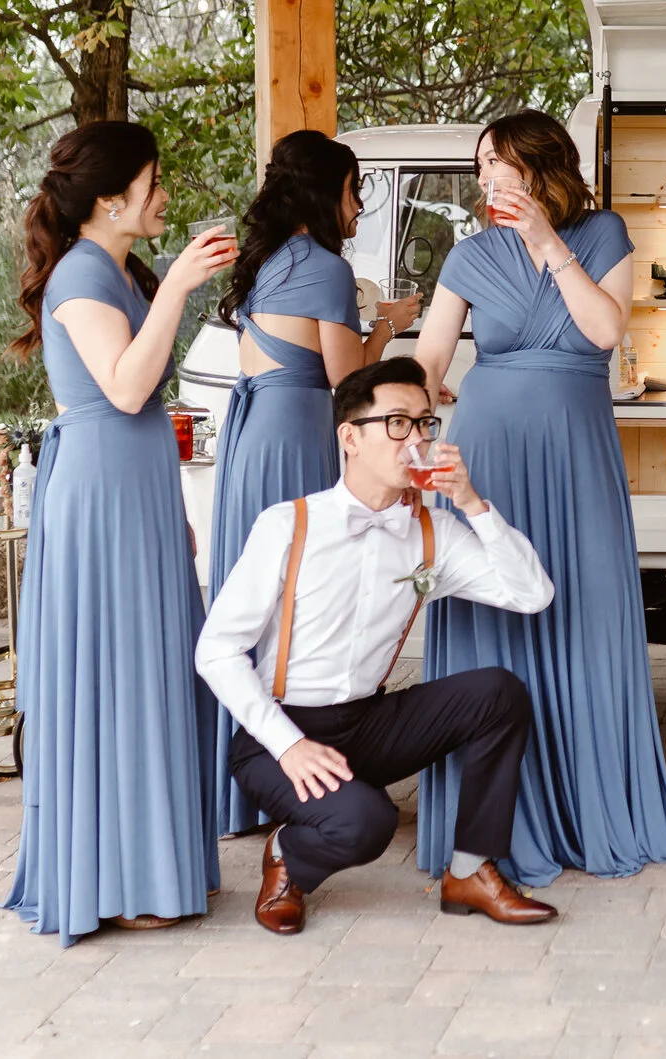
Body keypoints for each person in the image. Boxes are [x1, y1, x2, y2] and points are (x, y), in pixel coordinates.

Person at [411, 110, 666, 885]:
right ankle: (494, 822)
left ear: (540, 166)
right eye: (479, 166)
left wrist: (547, 242)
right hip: (489, 454)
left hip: (575, 455)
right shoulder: (469, 255)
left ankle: (591, 802)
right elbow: (430, 358)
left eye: (497, 162)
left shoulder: (603, 234)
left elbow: (604, 331)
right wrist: (403, 416)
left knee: (586, 607)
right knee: (491, 612)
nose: (485, 177)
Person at [197, 357, 558, 933]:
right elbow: (216, 650)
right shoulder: (288, 525)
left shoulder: (434, 532)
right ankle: (288, 856)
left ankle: (469, 870)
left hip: (366, 722)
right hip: (279, 735)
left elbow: (531, 594)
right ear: (350, 438)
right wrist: (289, 745)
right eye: (397, 423)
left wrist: (472, 504)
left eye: (424, 423)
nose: (415, 439)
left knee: (499, 693)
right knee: (368, 824)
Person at [4, 120, 236, 944]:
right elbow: (129, 388)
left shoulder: (118, 269)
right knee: (120, 672)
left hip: (136, 486)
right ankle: (116, 879)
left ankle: (151, 865)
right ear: (110, 198)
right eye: (153, 180)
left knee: (155, 666)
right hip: (99, 494)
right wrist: (180, 287)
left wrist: (174, 514)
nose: (164, 193)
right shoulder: (80, 274)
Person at [207, 130, 421, 836]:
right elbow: (348, 383)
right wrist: (388, 327)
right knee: (300, 594)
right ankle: (296, 770)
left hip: (255, 434)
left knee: (257, 596)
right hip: (298, 429)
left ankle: (248, 778)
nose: (357, 206)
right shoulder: (325, 267)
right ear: (327, 192)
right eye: (354, 190)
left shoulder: (270, 259)